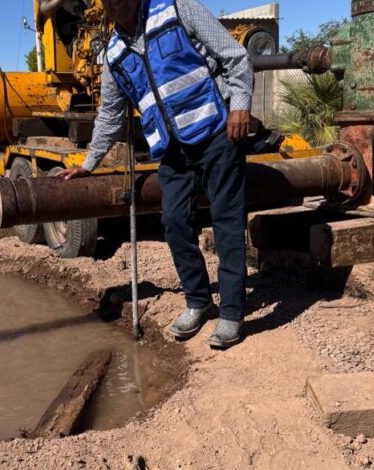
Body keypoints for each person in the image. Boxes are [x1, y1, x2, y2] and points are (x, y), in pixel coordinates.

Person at [55, 0, 253, 348]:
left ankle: (232, 314)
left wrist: (240, 106)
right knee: (175, 222)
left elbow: (235, 56)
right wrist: (89, 164)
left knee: (227, 225)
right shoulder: (114, 54)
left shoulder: (179, 9)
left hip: (217, 133)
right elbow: (111, 116)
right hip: (173, 150)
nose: (115, 5)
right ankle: (198, 301)